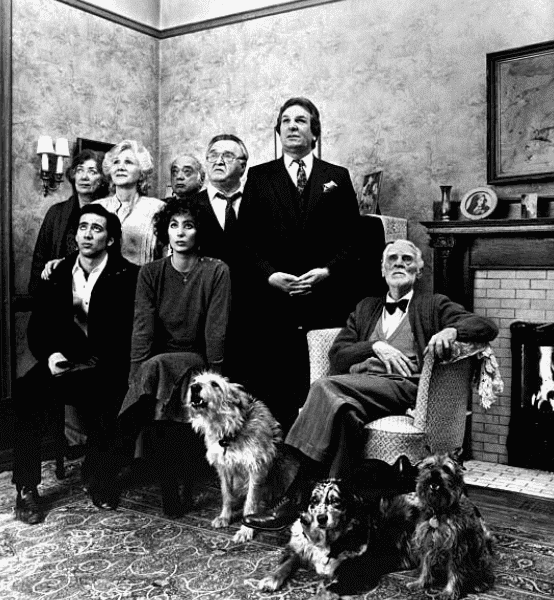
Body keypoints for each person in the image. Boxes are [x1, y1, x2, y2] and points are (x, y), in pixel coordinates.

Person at [243, 239, 498, 531]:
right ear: (381, 268)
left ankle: (295, 498)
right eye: (392, 259)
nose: (399, 264)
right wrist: (375, 346)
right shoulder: (366, 308)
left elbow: (486, 326)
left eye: (406, 259)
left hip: (405, 387)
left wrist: (452, 330)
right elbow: (337, 355)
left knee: (325, 387)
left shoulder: (433, 304)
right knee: (343, 415)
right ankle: (341, 509)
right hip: (360, 388)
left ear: (420, 268)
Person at [89, 196, 232, 516]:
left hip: (195, 358)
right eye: (173, 225)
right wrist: (134, 377)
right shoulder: (151, 273)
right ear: (164, 231)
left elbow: (215, 329)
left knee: (156, 374)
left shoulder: (216, 270)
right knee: (156, 381)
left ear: (200, 232)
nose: (180, 232)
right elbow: (142, 330)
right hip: (158, 362)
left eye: (189, 226)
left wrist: (216, 377)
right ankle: (169, 488)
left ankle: (114, 469)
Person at [238, 97, 361, 430]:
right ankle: (276, 458)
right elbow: (245, 242)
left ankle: (315, 458)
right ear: (279, 131)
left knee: (319, 381)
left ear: (314, 132)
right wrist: (270, 275)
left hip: (324, 301)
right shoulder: (260, 177)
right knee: (275, 384)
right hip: (275, 303)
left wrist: (326, 271)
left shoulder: (336, 176)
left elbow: (354, 240)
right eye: (286, 121)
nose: (292, 126)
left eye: (301, 121)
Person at [12, 204, 138, 525]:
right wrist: (52, 355)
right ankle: (26, 488)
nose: (88, 234)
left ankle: (100, 474)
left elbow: (130, 333)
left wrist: (97, 362)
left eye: (97, 229)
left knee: (111, 395)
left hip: (104, 363)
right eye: (83, 227)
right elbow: (39, 327)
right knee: (27, 392)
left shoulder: (128, 275)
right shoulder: (57, 272)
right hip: (62, 361)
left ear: (110, 239)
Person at [29, 149, 107, 296]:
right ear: (73, 175)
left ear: (102, 179)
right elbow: (40, 258)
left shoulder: (108, 214)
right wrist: (38, 296)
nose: (84, 176)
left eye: (92, 171)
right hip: (56, 296)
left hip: (93, 298)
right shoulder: (56, 213)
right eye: (79, 170)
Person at [97, 139, 165, 265]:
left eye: (128, 162)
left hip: (143, 282)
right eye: (116, 162)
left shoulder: (158, 208)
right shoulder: (96, 207)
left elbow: (168, 256)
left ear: (141, 173)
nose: (120, 167)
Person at [194, 134, 248, 266]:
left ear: (242, 166)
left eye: (228, 156)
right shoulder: (189, 205)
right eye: (213, 156)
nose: (219, 162)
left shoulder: (261, 201)